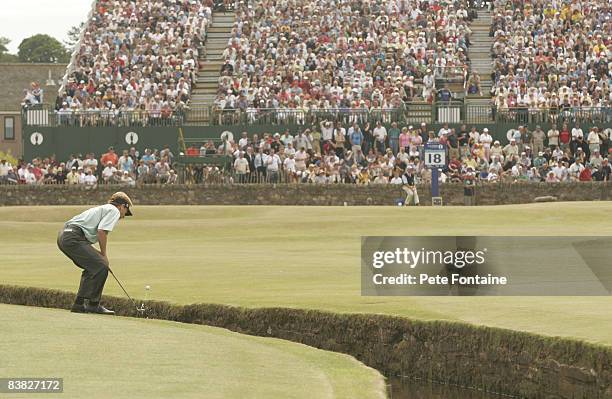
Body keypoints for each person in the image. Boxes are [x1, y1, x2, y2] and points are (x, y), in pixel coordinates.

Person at [56, 192, 133, 315]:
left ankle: (79, 304)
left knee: (92, 267)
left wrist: (98, 254)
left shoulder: (102, 208)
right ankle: (93, 305)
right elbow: (102, 231)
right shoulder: (114, 210)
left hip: (64, 236)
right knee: (101, 266)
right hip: (73, 237)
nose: (123, 216)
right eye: (125, 211)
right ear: (122, 206)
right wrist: (103, 255)